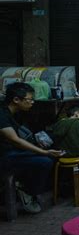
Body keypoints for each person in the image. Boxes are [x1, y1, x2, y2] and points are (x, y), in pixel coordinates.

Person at [0, 82, 63, 214]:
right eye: (30, 99)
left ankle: (25, 185)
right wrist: (44, 152)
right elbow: (15, 140)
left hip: (13, 151)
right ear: (16, 99)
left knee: (51, 147)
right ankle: (27, 192)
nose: (32, 102)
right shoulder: (2, 114)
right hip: (4, 156)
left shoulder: (16, 112)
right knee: (45, 161)